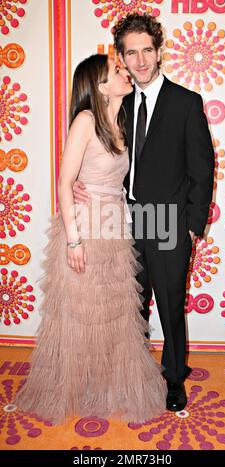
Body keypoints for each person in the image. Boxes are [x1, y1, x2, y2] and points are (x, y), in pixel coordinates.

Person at [14, 53, 167, 425]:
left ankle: (103, 383)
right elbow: (65, 183)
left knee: (110, 311)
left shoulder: (123, 121)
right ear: (100, 86)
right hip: (84, 227)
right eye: (117, 70)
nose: (126, 71)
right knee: (82, 312)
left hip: (114, 226)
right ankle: (76, 386)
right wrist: (73, 240)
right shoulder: (85, 120)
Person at [73, 14, 215, 412]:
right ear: (121, 56)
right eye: (130, 53)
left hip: (169, 221)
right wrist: (79, 183)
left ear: (159, 52)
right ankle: (130, 373)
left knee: (169, 303)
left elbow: (203, 169)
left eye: (146, 51)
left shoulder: (187, 103)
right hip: (120, 219)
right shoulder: (115, 102)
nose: (139, 61)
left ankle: (173, 379)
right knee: (128, 304)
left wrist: (192, 226)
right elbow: (95, 151)